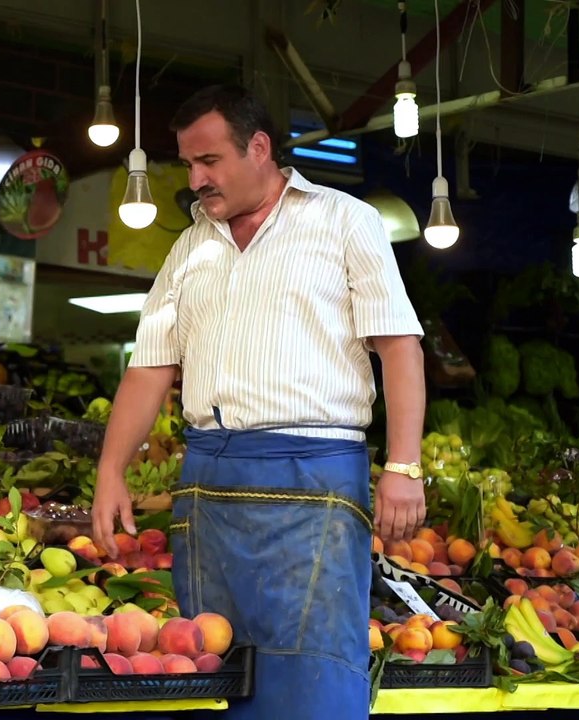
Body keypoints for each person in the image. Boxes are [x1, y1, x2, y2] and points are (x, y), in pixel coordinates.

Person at [92, 84, 426, 720]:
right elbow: (150, 367)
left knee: (311, 680)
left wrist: (403, 465)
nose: (196, 180)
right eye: (188, 164)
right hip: (210, 484)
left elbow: (399, 347)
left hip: (315, 477)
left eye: (209, 161)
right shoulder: (189, 246)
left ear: (260, 148)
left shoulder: (344, 220)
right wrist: (111, 470)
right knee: (212, 670)